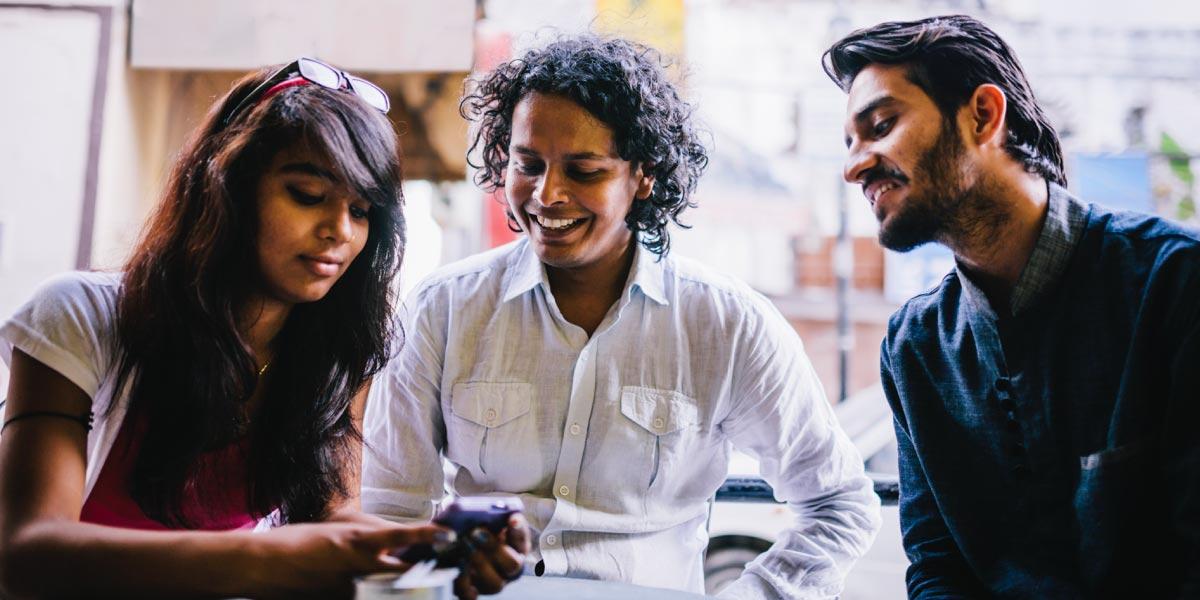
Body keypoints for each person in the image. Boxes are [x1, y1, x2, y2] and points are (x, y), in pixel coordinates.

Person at [362, 35, 881, 599]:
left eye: (584, 171)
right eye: (527, 164)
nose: (547, 194)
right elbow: (390, 510)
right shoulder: (441, 308)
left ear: (644, 175)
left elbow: (839, 502)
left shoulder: (728, 324)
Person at [0, 57, 526, 599]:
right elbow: (27, 555)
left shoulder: (337, 354)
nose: (339, 231)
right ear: (225, 185)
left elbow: (331, 519)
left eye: (362, 209)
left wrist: (431, 546)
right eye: (307, 195)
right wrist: (276, 556)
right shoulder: (78, 317)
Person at [825, 15, 1200, 598]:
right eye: (849, 144)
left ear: (983, 115)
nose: (854, 166)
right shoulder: (915, 346)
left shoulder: (1173, 284)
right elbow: (935, 567)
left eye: (880, 125)